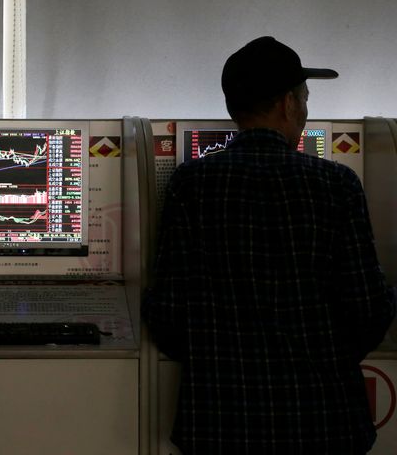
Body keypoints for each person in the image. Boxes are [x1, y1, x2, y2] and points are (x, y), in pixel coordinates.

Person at [142, 36, 395, 454]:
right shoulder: (336, 185)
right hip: (322, 425)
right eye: (305, 98)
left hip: (220, 427)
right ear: (288, 104)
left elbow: (168, 315)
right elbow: (367, 312)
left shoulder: (190, 184)